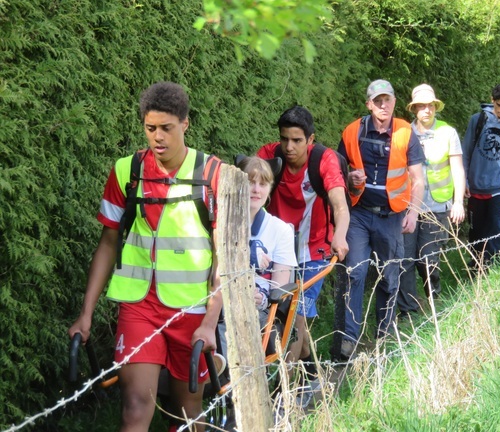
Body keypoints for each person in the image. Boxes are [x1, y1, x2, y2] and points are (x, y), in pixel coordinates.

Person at [68, 82, 222, 432]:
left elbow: (224, 260)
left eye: (166, 128)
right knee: (135, 407)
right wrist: (86, 314)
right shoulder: (127, 171)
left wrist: (210, 323)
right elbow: (108, 242)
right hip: (140, 308)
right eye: (150, 128)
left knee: (187, 414)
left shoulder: (212, 175)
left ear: (185, 124)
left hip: (192, 312)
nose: (158, 137)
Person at [256, 105, 350, 388]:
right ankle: (312, 373)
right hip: (277, 254)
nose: (289, 146)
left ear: (310, 139)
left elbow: (340, 207)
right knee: (288, 318)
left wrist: (340, 235)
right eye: (284, 139)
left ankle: (283, 390)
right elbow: (248, 189)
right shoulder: (268, 157)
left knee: (293, 321)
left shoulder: (324, 160)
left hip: (315, 252)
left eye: (297, 140)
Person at [336, 79, 425, 357]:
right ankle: (349, 338)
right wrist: (349, 177)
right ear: (369, 104)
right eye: (377, 101)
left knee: (388, 276)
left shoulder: (405, 133)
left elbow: (418, 179)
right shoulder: (352, 131)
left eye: (387, 99)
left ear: (395, 102)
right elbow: (335, 173)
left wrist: (413, 212)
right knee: (356, 273)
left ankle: (384, 334)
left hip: (392, 217)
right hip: (359, 214)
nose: (383, 105)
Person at [397, 84, 466, 317]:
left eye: (430, 105)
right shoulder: (404, 132)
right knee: (405, 259)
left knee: (428, 259)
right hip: (407, 207)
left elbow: (457, 169)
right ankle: (408, 312)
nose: (427, 110)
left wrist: (458, 202)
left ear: (436, 106)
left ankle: (433, 299)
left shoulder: (448, 132)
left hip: (437, 207)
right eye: (422, 106)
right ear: (414, 108)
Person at [461, 84, 500, 270]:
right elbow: (465, 153)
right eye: (499, 105)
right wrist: (464, 182)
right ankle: (475, 267)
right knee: (476, 232)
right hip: (475, 188)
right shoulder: (478, 120)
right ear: (492, 101)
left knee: (496, 232)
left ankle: (493, 269)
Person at [236, 155, 297, 326]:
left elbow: (278, 291)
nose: (256, 190)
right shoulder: (222, 224)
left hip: (258, 312)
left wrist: (262, 299)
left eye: (262, 184)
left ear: (270, 189)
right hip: (222, 302)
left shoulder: (280, 230)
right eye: (250, 182)